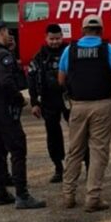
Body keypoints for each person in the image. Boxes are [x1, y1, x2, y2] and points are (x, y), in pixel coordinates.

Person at [57, 15, 111, 213]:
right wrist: (106, 81)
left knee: (74, 150)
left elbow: (61, 79)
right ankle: (93, 197)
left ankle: (68, 195)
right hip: (102, 105)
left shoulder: (69, 50)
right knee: (98, 150)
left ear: (82, 30)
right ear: (101, 31)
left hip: (77, 105)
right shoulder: (109, 50)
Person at [0, 19, 46, 209]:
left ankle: (1, 192)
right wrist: (19, 100)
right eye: (6, 31)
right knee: (17, 148)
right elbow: (6, 82)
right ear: (0, 32)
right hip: (1, 106)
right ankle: (22, 195)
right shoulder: (1, 55)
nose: (9, 34)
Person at [27, 24, 69, 182]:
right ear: (46, 38)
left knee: (79, 133)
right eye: (52, 39)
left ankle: (85, 163)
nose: (55, 42)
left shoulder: (69, 52)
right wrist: (34, 103)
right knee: (53, 135)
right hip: (48, 101)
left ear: (62, 37)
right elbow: (31, 80)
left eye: (58, 38)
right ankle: (58, 167)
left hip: (68, 99)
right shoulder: (39, 56)